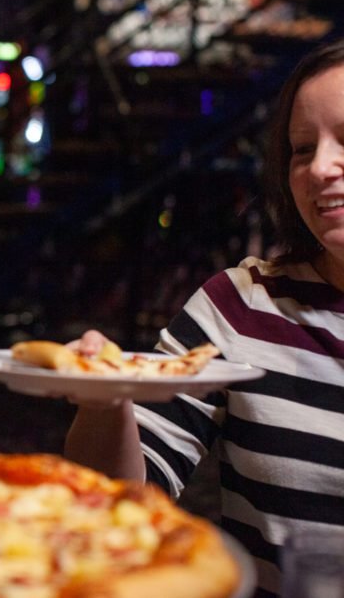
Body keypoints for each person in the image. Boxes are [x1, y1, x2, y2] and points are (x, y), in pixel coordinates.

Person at [64, 39, 344, 598]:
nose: (319, 168)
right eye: (301, 148)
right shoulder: (241, 306)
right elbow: (120, 510)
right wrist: (107, 399)